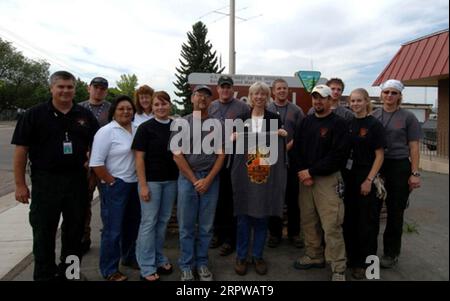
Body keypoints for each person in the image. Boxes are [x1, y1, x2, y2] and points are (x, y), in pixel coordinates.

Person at [11, 71, 99, 281]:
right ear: (51, 88)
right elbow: (21, 151)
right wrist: (20, 185)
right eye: (61, 86)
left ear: (75, 89)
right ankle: (44, 276)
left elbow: (97, 144)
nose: (65, 91)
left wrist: (91, 170)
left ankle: (70, 274)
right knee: (44, 233)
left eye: (69, 87)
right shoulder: (33, 115)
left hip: (76, 180)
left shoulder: (84, 116)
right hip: (45, 181)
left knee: (74, 232)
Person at [293, 84, 350, 281]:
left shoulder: (339, 124)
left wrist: (311, 171)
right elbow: (297, 148)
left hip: (328, 180)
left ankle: (338, 267)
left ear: (330, 100)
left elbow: (339, 156)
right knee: (308, 221)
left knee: (331, 224)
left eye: (322, 98)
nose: (318, 101)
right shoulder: (306, 122)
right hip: (305, 179)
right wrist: (303, 172)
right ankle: (314, 255)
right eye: (315, 97)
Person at [231, 81, 287, 276]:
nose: (259, 97)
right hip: (244, 175)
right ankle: (241, 256)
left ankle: (257, 256)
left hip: (265, 174)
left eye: (263, 94)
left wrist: (281, 134)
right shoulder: (241, 118)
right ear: (251, 96)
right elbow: (233, 144)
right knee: (243, 218)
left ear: (267, 97)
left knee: (262, 218)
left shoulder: (274, 119)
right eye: (256, 94)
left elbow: (280, 147)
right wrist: (235, 137)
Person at [172, 85, 225, 281]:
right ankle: (186, 265)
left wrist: (208, 180)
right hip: (188, 179)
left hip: (211, 179)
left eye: (206, 96)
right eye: (198, 94)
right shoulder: (181, 123)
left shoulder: (217, 124)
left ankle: (202, 263)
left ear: (210, 101)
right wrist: (195, 181)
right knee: (186, 226)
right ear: (192, 98)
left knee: (205, 226)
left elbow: (222, 155)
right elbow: (177, 156)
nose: (202, 98)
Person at [89, 95, 141, 281]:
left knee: (132, 226)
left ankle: (129, 257)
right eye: (121, 108)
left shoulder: (136, 129)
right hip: (116, 185)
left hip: (134, 184)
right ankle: (109, 269)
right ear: (114, 112)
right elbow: (96, 163)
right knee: (113, 229)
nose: (126, 111)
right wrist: (111, 182)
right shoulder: (106, 132)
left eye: (129, 108)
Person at [371, 79, 422, 268]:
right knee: (372, 211)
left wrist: (415, 173)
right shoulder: (374, 115)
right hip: (378, 165)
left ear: (399, 96)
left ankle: (391, 253)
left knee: (395, 213)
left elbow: (414, 147)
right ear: (381, 94)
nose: (389, 96)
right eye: (386, 92)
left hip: (399, 166)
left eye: (394, 93)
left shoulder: (408, 117)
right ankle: (369, 250)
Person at [132, 91, 179, 282]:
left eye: (164, 104)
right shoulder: (145, 128)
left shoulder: (177, 126)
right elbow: (139, 158)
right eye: (156, 105)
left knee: (163, 222)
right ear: (151, 107)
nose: (160, 107)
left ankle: (159, 258)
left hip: (171, 181)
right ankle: (146, 266)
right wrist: (143, 185)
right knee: (149, 223)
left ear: (170, 105)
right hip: (151, 181)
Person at [342, 88, 386, 279]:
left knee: (368, 224)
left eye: (359, 100)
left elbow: (380, 155)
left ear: (367, 101)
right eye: (352, 101)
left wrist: (369, 180)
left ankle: (369, 267)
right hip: (350, 177)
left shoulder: (374, 125)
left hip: (368, 176)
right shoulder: (349, 123)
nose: (355, 104)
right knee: (350, 221)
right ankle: (352, 261)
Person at [208, 75, 250, 257]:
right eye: (222, 87)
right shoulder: (212, 106)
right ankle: (218, 233)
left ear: (233, 89)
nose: (225, 90)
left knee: (231, 199)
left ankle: (229, 239)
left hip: (235, 158)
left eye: (228, 87)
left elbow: (250, 129)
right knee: (216, 198)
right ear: (218, 89)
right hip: (215, 157)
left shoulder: (242, 107)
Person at [267, 78, 305, 249]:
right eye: (279, 88)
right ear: (273, 92)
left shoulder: (296, 110)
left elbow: (303, 134)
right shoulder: (267, 109)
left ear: (288, 91)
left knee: (293, 199)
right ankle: (274, 234)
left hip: (291, 161)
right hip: (272, 162)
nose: (282, 91)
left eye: (285, 88)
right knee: (274, 198)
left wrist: (290, 145)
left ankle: (294, 233)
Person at [78, 76, 111, 254]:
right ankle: (84, 238)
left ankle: (109, 236)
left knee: (108, 202)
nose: (99, 91)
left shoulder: (110, 109)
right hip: (84, 162)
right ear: (89, 88)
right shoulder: (79, 108)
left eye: (102, 88)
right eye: (96, 87)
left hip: (105, 163)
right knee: (83, 202)